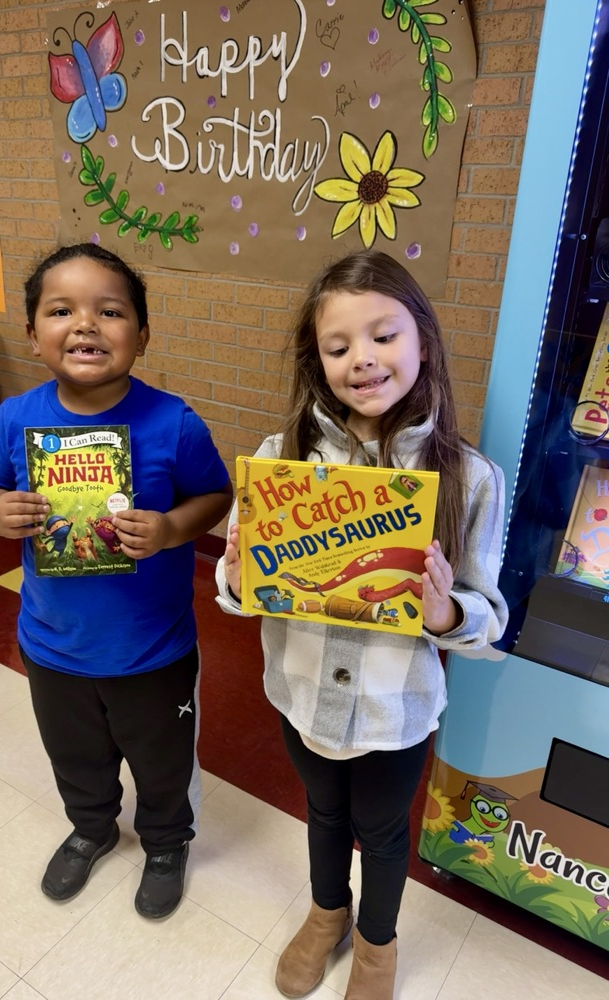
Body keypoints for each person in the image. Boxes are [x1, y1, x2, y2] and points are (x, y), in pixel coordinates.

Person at [215, 250, 507, 999]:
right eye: (339, 346)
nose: (363, 360)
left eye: (384, 336)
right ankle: (325, 915)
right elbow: (242, 590)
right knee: (321, 811)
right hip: (304, 693)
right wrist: (240, 573)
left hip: (394, 708)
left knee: (380, 832)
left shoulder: (468, 478)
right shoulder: (280, 460)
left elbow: (485, 621)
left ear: (423, 342)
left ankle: (377, 945)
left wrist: (443, 609)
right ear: (316, 360)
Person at [0, 243, 232, 919]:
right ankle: (91, 827)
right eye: (61, 311)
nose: (85, 325)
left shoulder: (173, 422)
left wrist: (174, 529)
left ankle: (167, 843)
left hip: (154, 651)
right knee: (75, 755)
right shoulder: (14, 418)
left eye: (110, 311)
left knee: (162, 762)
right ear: (33, 334)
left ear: (141, 334)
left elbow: (216, 496)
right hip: (53, 644)